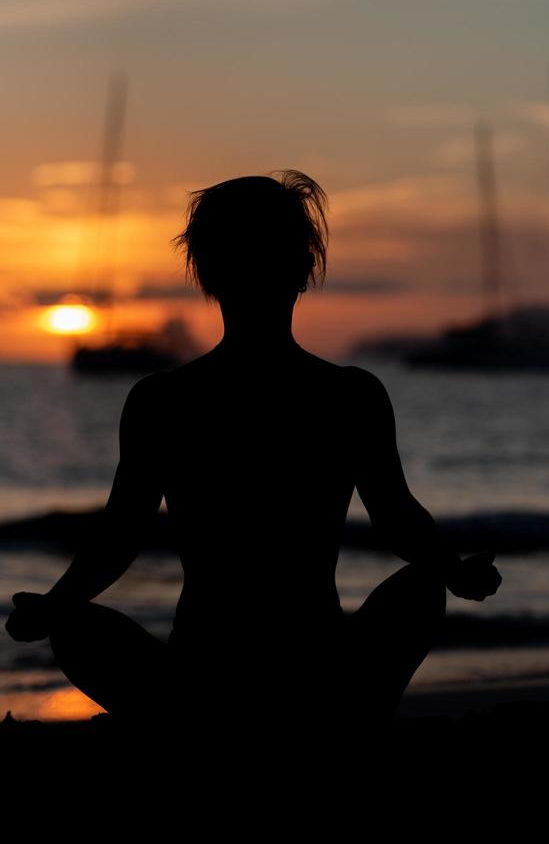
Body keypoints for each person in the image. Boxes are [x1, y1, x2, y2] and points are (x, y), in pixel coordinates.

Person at [5, 169, 501, 766]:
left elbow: (119, 536)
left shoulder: (165, 400)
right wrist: (452, 570)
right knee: (422, 586)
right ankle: (341, 729)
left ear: (206, 273)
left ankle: (203, 732)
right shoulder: (348, 395)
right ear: (303, 268)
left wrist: (55, 605)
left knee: (76, 628)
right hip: (317, 671)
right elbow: (397, 519)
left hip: (202, 679)